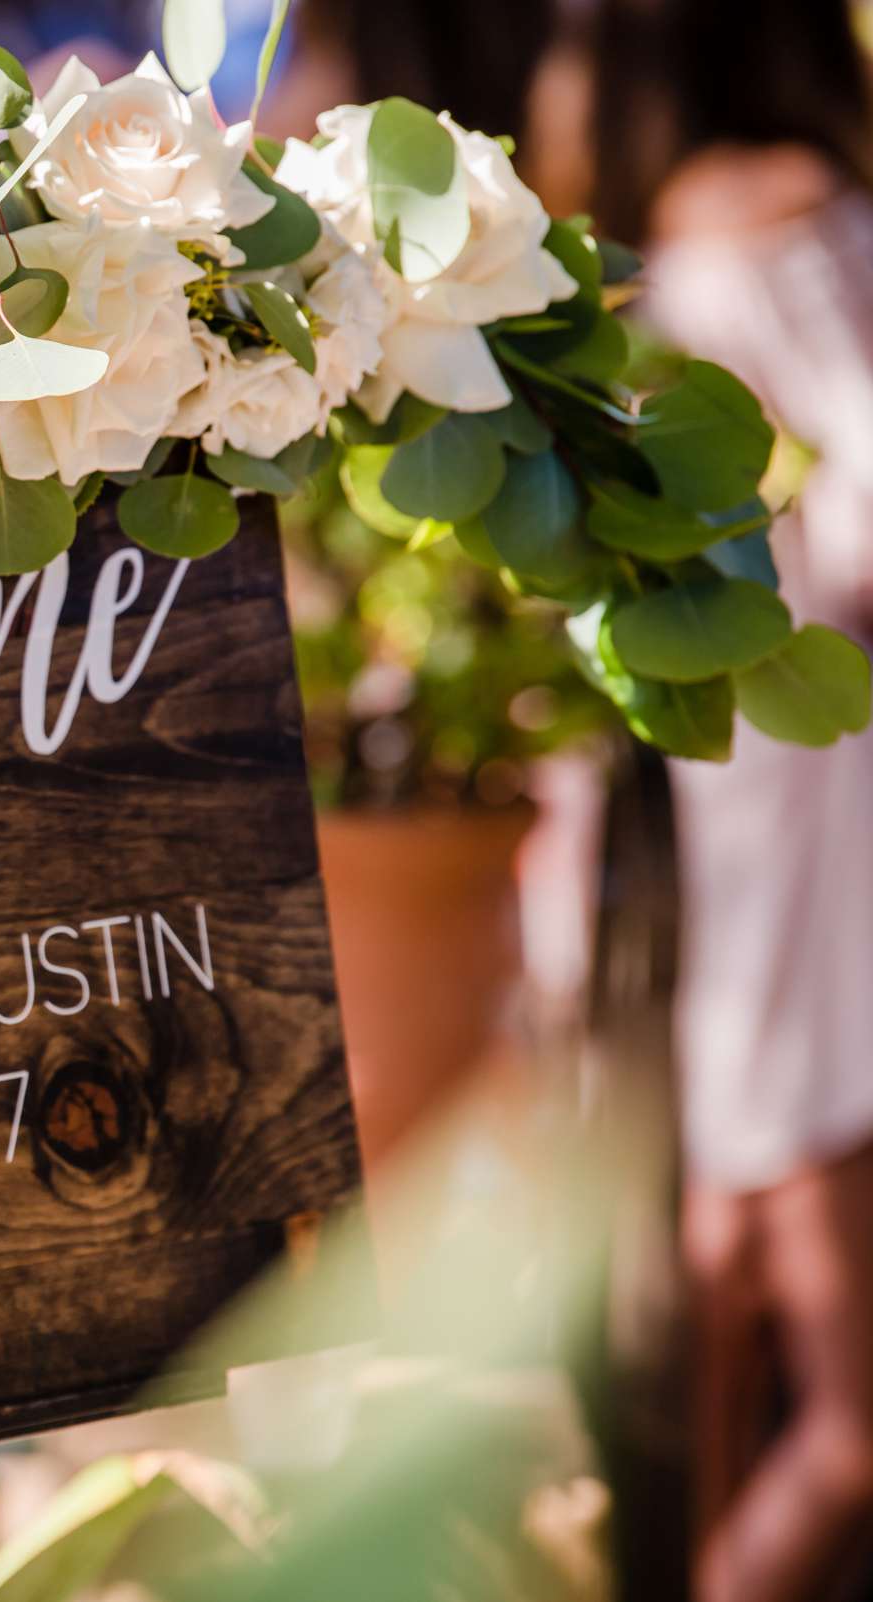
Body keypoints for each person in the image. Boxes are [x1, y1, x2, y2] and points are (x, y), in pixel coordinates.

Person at [585, 3, 873, 1597]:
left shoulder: (648, 264)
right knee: (846, 1419)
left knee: (729, 1273)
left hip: (726, 788)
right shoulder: (805, 219)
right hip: (826, 794)